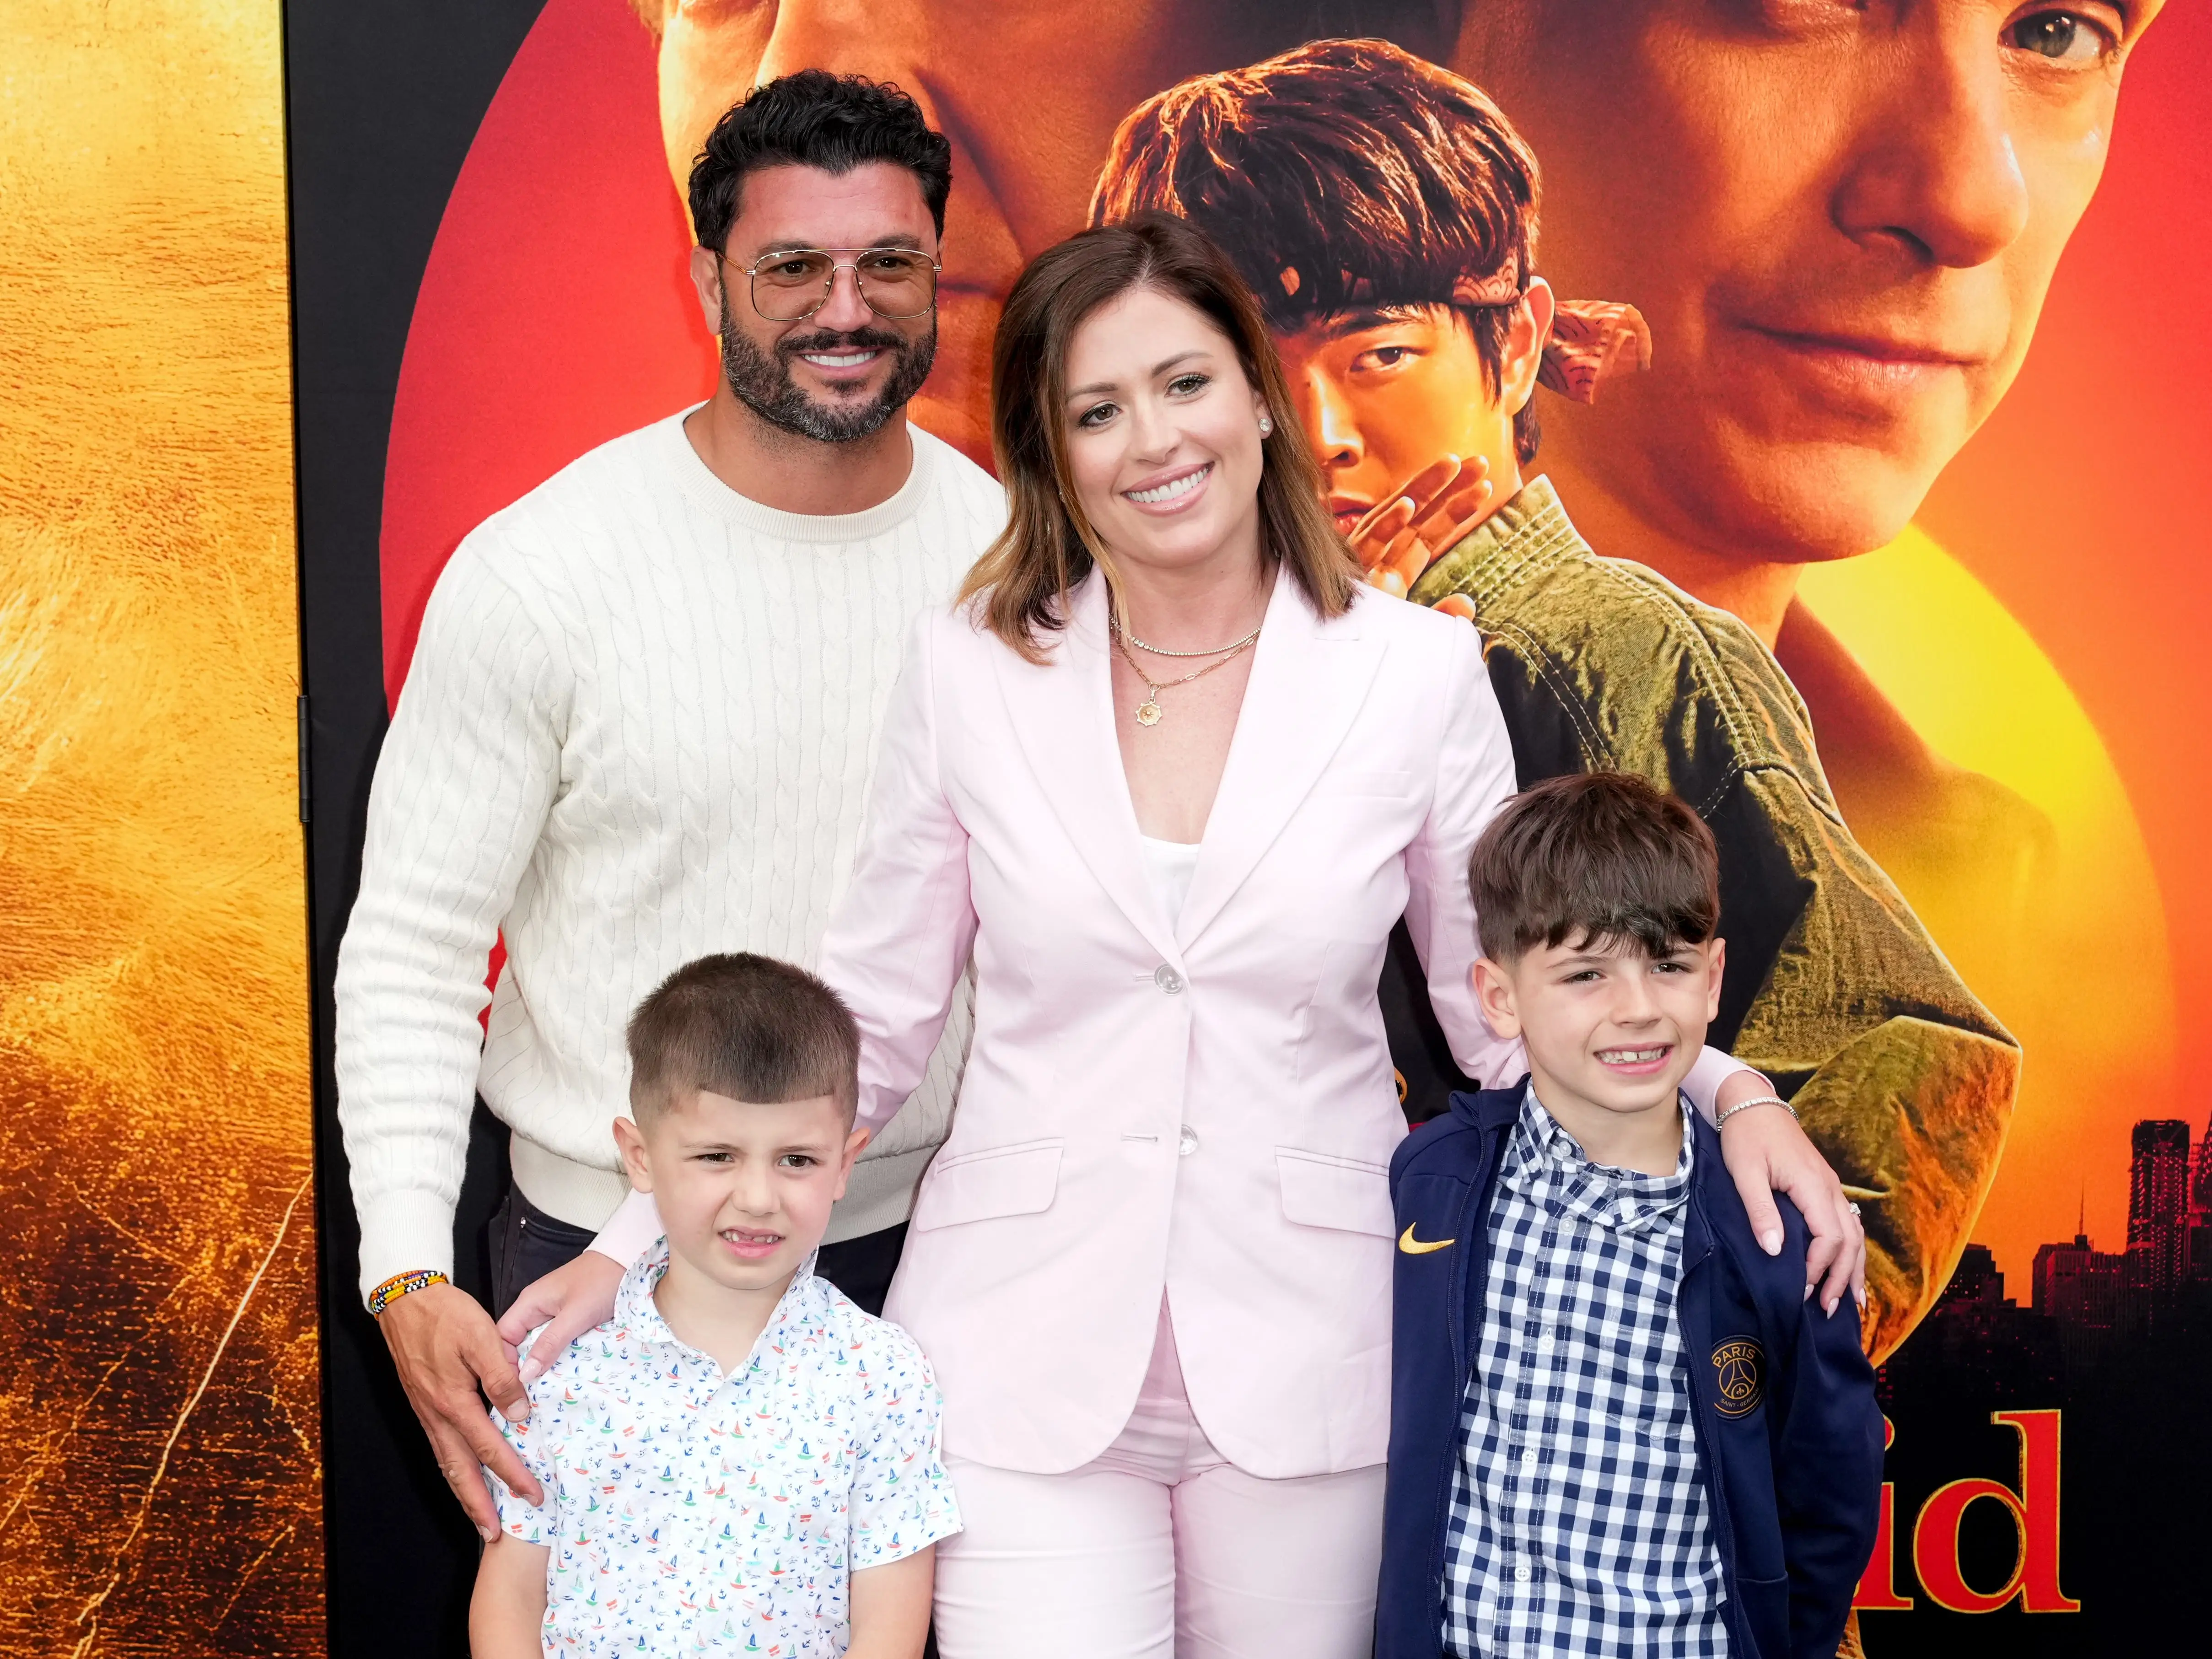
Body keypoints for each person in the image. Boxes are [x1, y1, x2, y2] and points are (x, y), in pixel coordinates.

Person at [547, 213, 1861, 1658]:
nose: (1154, 440)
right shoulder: (969, 667)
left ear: (1256, 396)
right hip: (1015, 1360)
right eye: (1096, 410)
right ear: (1049, 454)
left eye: (1184, 384)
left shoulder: (1416, 672)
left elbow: (1511, 1010)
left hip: (1321, 1360)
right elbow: (871, 1018)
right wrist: (635, 1243)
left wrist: (1730, 1093)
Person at [1089, 38, 2007, 1361]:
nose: (1314, 431)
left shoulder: (1608, 652)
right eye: (1224, 374)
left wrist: (1721, 1361)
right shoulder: (1173, 675)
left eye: (1378, 353)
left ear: (1513, 345)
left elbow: (1904, 1033)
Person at [333, 71, 1006, 1541]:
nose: (846, 309)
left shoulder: (1014, 567)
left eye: (888, 264)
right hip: (598, 1265)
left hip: (938, 1255)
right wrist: (404, 1269)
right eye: (792, 267)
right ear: (708, 281)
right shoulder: (542, 572)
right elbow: (415, 950)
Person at [1383, 773, 1883, 1659]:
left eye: (1668, 965)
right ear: (1498, 997)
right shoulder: (1437, 1182)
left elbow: (1828, 1494)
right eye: (1585, 973)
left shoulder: (1778, 1236)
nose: (1638, 1008)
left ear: (1713, 976)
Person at [470, 953, 958, 1659]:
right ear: (639, 1155)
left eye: (796, 1159)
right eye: (716, 1156)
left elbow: (890, 1625)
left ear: (845, 1162)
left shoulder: (882, 1375)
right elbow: (510, 1597)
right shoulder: (560, 1371)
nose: (757, 1197)